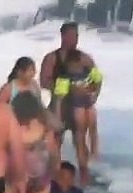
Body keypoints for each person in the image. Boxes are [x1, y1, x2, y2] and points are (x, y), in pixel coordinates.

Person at [39, 21, 97, 160]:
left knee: (80, 140)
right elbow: (44, 82)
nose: (74, 39)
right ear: (63, 36)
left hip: (79, 106)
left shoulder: (84, 58)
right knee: (55, 141)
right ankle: (55, 174)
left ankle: (85, 173)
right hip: (59, 106)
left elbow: (96, 79)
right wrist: (66, 88)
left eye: (76, 36)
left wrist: (91, 92)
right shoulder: (52, 58)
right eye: (71, 36)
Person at [50, 50, 103, 183]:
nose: (73, 69)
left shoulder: (89, 70)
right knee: (80, 131)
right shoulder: (65, 77)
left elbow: (99, 79)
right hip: (76, 105)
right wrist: (57, 117)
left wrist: (96, 94)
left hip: (89, 103)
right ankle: (84, 166)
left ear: (80, 62)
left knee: (92, 125)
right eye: (70, 67)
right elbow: (59, 99)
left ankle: (94, 151)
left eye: (75, 66)